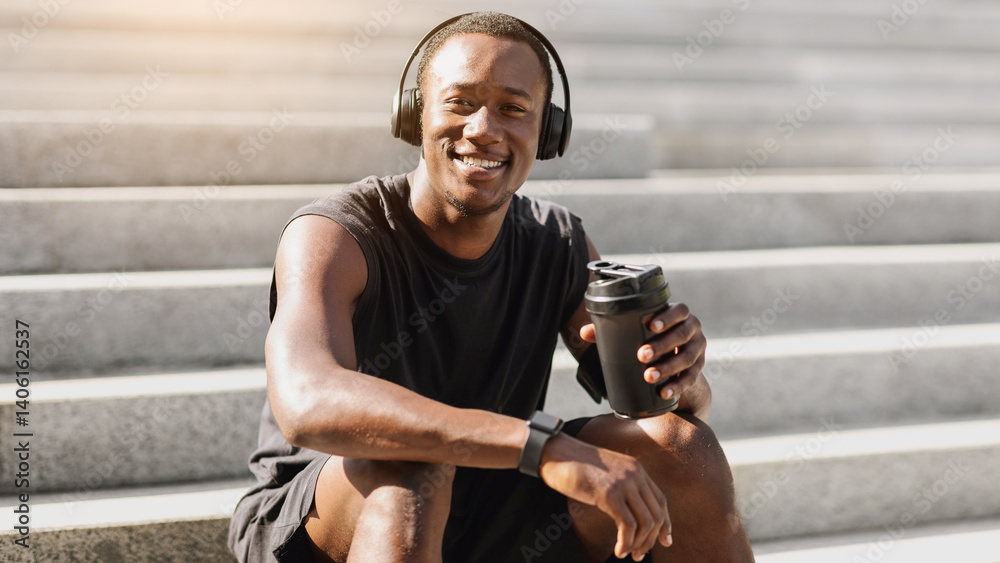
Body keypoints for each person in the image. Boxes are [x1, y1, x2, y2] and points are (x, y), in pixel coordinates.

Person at [228, 11, 753, 563]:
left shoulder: (558, 241)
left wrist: (678, 376)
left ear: (547, 132)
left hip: (485, 500)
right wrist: (542, 447)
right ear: (414, 116)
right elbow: (306, 403)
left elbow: (660, 411)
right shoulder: (336, 235)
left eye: (513, 108)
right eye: (459, 103)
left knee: (680, 448)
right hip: (330, 515)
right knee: (414, 464)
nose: (482, 128)